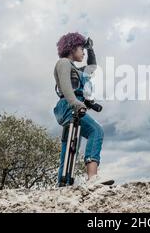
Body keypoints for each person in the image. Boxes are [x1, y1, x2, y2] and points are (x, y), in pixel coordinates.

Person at [53, 32, 114, 186]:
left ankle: (63, 183)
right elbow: (66, 87)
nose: (83, 52)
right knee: (96, 130)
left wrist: (90, 48)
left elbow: (92, 67)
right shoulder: (63, 63)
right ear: (72, 48)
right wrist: (76, 103)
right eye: (81, 48)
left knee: (71, 146)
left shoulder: (77, 69)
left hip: (74, 106)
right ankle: (92, 177)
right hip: (70, 105)